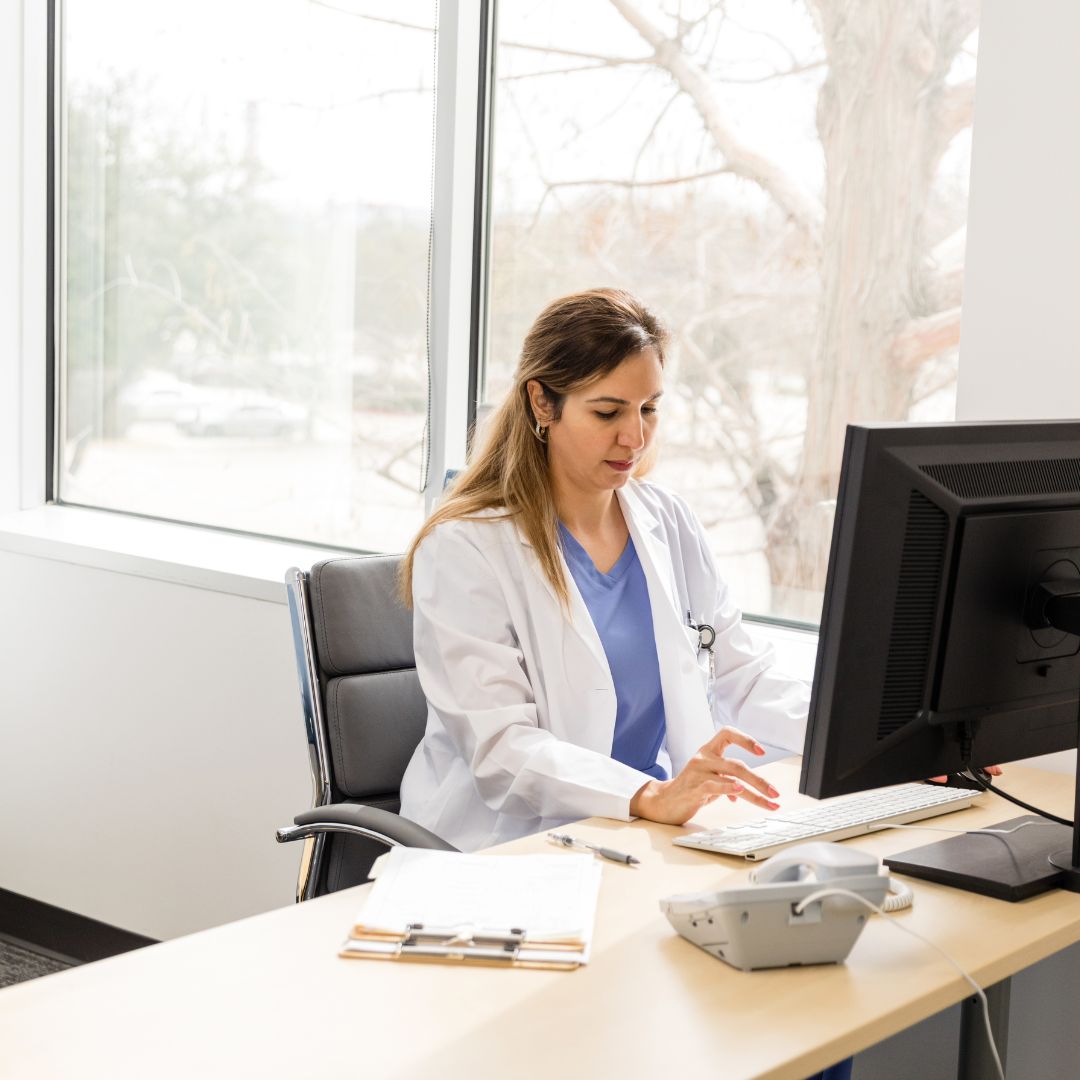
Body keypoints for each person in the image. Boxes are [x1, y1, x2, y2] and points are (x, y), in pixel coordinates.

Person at [397, 287, 809, 852]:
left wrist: (869, 743)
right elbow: (501, 747)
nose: (634, 437)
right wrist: (645, 796)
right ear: (542, 403)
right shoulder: (466, 547)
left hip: (639, 833)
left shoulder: (669, 522)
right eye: (608, 411)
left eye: (650, 408)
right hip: (506, 848)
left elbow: (743, 675)